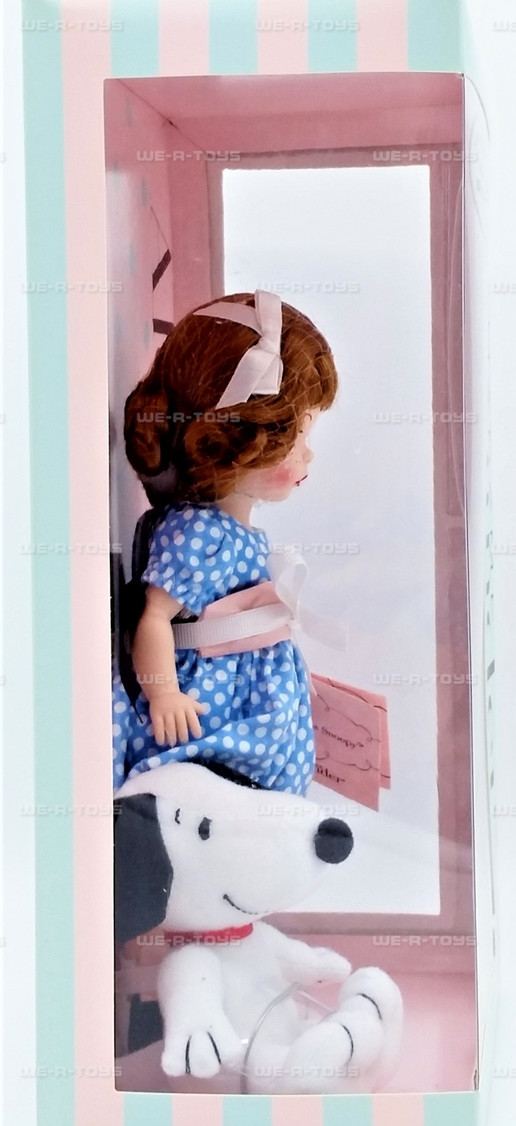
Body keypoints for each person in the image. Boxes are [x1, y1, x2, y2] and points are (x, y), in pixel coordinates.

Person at [111, 288, 338, 795]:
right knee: (217, 794)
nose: (308, 457)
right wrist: (164, 694)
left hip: (240, 690)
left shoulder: (225, 530)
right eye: (297, 440)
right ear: (236, 442)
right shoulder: (202, 532)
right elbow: (154, 617)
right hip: (210, 706)